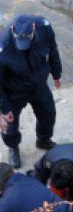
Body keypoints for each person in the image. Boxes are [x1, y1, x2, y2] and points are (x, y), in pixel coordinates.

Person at [0, 14, 63, 169]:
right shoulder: (3, 47)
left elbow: (53, 51)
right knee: (10, 125)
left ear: (34, 29)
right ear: (13, 30)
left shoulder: (45, 28)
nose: (23, 45)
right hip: (14, 90)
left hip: (38, 84)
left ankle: (43, 139)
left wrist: (56, 73)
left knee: (48, 114)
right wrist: (4, 108)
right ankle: (13, 146)